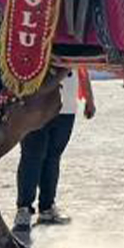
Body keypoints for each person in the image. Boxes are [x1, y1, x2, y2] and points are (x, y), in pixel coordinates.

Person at [13, 67, 96, 231]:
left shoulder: (75, 50)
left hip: (67, 107)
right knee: (32, 155)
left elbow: (82, 67)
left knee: (53, 157)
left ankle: (47, 208)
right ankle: (23, 209)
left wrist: (89, 98)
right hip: (35, 105)